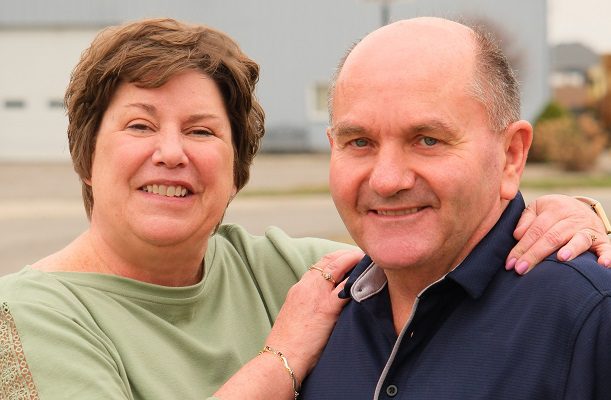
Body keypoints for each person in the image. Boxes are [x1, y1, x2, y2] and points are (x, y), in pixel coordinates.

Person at [0, 18, 608, 400]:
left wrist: (569, 217)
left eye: (203, 132)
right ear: (85, 153)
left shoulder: (286, 268)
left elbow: (429, 244)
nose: (170, 153)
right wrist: (280, 360)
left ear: (236, 166)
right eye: (139, 125)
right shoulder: (29, 318)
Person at [300, 17, 611, 399]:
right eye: (360, 142)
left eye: (427, 140)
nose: (386, 180)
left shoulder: (590, 318)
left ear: (511, 155)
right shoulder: (315, 316)